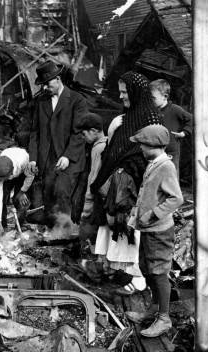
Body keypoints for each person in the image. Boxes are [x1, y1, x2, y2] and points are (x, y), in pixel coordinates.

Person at [89, 71, 163, 295]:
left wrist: (128, 172)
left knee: (132, 230)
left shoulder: (151, 119)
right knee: (115, 226)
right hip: (118, 185)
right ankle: (124, 273)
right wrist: (113, 130)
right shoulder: (124, 118)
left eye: (124, 92)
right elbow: (113, 150)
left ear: (136, 93)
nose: (121, 96)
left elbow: (150, 154)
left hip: (135, 186)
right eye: (120, 92)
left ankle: (139, 278)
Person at [124, 124, 183, 337]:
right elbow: (145, 194)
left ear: (152, 145)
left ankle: (164, 318)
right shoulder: (153, 163)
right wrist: (135, 217)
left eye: (141, 144)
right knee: (147, 269)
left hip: (159, 230)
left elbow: (176, 198)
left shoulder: (165, 166)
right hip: (148, 228)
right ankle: (153, 309)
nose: (139, 148)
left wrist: (153, 214)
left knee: (158, 273)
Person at [28, 61, 87, 221]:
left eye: (47, 84)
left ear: (58, 79)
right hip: (48, 158)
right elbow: (35, 132)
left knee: (62, 192)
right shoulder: (41, 102)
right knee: (48, 192)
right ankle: (52, 233)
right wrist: (33, 159)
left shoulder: (77, 100)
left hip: (70, 157)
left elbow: (79, 132)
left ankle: (66, 233)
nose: (45, 88)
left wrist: (68, 156)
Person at [0, 147, 37, 238]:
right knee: (2, 198)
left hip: (23, 173)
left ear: (11, 173)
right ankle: (2, 228)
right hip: (6, 171)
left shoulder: (23, 160)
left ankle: (19, 226)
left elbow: (30, 176)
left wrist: (22, 191)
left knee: (22, 201)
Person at [149, 79, 192, 177]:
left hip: (171, 150)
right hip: (155, 150)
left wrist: (184, 133)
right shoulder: (152, 111)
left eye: (153, 98)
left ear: (165, 97)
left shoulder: (175, 109)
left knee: (171, 176)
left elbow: (191, 119)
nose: (150, 101)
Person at [77, 113, 108, 245]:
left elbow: (93, 178)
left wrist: (87, 206)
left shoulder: (99, 148)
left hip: (99, 199)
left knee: (88, 232)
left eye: (84, 134)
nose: (83, 138)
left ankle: (88, 259)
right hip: (105, 198)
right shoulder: (106, 143)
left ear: (94, 131)